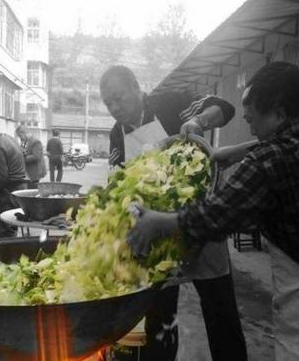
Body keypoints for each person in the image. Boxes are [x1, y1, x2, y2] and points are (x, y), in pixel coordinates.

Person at [127, 62, 299, 361]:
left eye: (252, 120)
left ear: (279, 112)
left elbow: (215, 216)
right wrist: (242, 149)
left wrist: (157, 222)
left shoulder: (267, 165)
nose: (250, 127)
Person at [100, 65, 247, 361]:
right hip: (161, 235)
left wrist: (198, 120)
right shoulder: (117, 135)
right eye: (108, 103)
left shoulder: (171, 103)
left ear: (137, 89)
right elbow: (119, 181)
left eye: (119, 98)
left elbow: (223, 107)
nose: (115, 108)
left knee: (220, 312)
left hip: (202, 221)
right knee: (161, 317)